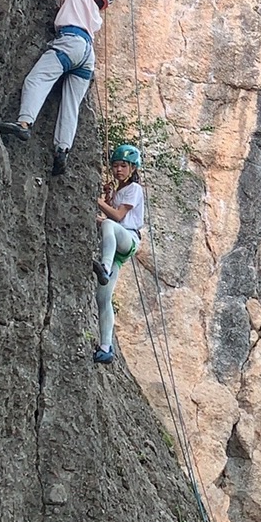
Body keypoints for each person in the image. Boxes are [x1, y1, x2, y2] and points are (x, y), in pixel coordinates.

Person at [0, 0, 114, 176]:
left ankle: (24, 123)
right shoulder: (96, 17)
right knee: (71, 104)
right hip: (87, 55)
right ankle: (63, 150)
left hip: (70, 41)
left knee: (37, 79)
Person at [93, 144, 145, 364]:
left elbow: (117, 216)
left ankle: (104, 267)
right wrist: (108, 198)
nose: (118, 170)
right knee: (102, 297)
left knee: (108, 225)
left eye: (123, 166)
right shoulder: (119, 191)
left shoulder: (135, 188)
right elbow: (111, 215)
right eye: (115, 166)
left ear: (133, 168)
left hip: (129, 238)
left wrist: (98, 201)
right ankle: (106, 347)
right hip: (116, 247)